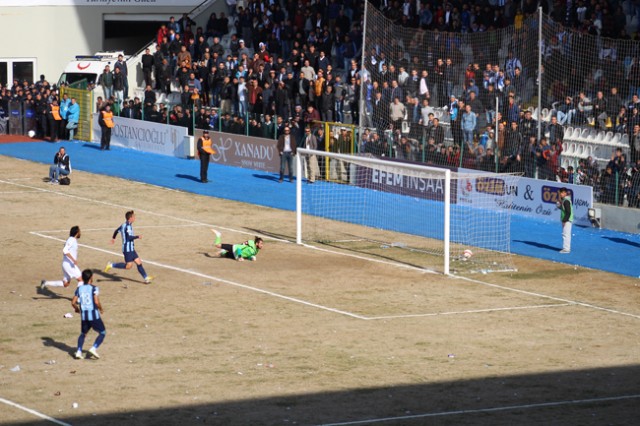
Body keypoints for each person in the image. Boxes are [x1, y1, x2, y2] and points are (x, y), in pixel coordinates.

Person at [104, 210, 153, 284]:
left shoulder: (125, 225)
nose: (135, 218)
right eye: (134, 216)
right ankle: (111, 265)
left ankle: (146, 278)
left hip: (131, 249)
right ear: (130, 218)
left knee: (139, 262)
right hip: (127, 250)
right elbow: (129, 237)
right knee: (128, 266)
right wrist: (137, 236)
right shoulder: (127, 226)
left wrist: (113, 238)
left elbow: (116, 231)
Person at [71, 269, 105, 359]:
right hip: (94, 315)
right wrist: (101, 309)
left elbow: (73, 302)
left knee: (83, 333)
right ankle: (93, 348)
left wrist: (77, 309)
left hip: (84, 316)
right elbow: (96, 302)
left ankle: (78, 351)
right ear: (91, 278)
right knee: (102, 332)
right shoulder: (94, 288)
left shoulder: (79, 289)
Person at [40, 226, 82, 290]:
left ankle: (45, 283)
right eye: (79, 231)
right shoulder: (71, 240)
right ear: (76, 232)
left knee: (66, 284)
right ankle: (78, 297)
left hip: (66, 263)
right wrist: (73, 260)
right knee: (81, 280)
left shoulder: (72, 240)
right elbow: (65, 250)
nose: (80, 233)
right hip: (69, 264)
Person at [556, 187, 573, 253]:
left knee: (566, 234)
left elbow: (568, 212)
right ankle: (566, 248)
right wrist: (559, 206)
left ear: (565, 193)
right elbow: (564, 209)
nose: (561, 194)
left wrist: (564, 220)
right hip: (567, 219)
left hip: (567, 220)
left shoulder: (566, 201)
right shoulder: (565, 200)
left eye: (562, 193)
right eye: (560, 193)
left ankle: (566, 249)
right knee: (566, 233)